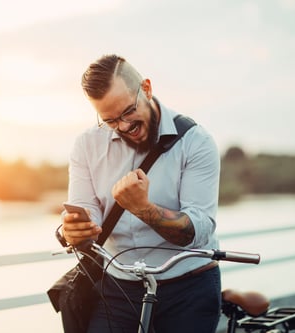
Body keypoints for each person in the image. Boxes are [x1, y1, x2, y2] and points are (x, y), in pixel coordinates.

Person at [60, 54, 221, 333]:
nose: (123, 126)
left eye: (127, 112)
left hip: (189, 286)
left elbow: (198, 230)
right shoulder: (86, 145)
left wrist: (142, 207)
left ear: (146, 88)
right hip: (118, 285)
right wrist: (76, 230)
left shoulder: (197, 142)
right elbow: (88, 213)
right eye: (109, 120)